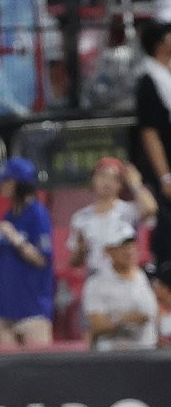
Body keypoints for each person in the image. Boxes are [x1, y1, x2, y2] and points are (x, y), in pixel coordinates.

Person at [0, 157, 55, 347]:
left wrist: (16, 238)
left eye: (5, 181)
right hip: (5, 308)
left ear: (18, 183)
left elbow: (42, 259)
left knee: (39, 372)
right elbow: (0, 246)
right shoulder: (9, 215)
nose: (0, 186)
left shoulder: (37, 215)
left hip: (32, 309)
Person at [67, 157, 156, 276]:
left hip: (126, 277)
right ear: (93, 179)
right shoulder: (81, 217)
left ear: (120, 184)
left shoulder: (128, 210)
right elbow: (75, 262)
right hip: (97, 279)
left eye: (114, 178)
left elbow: (150, 209)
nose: (107, 182)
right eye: (102, 176)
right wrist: (81, 249)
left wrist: (136, 183)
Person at [82, 223, 158, 351]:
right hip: (113, 355)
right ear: (108, 250)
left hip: (147, 351)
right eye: (122, 246)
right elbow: (96, 324)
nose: (128, 251)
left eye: (131, 245)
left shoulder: (143, 276)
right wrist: (123, 320)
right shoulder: (96, 283)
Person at [133, 21, 171, 268]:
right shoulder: (149, 80)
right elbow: (150, 133)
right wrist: (165, 177)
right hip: (164, 168)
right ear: (160, 44)